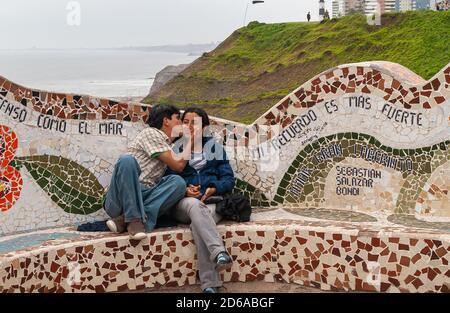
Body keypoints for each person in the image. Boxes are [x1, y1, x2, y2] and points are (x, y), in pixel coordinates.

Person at [166, 107, 235, 293]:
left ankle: (210, 285)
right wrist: (185, 189)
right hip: (184, 204)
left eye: (194, 122)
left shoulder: (215, 148)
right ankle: (219, 252)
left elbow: (229, 180)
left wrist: (214, 188)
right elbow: (168, 180)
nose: (189, 126)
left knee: (199, 224)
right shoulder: (175, 150)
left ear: (204, 126)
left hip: (211, 204)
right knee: (195, 206)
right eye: (185, 122)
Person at [104, 104, 192, 240]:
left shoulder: (168, 145)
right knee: (127, 160)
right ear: (166, 121)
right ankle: (134, 219)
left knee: (178, 183)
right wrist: (191, 141)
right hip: (121, 197)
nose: (180, 123)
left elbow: (176, 171)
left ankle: (125, 220)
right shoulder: (151, 133)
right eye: (177, 119)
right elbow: (178, 165)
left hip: (144, 196)